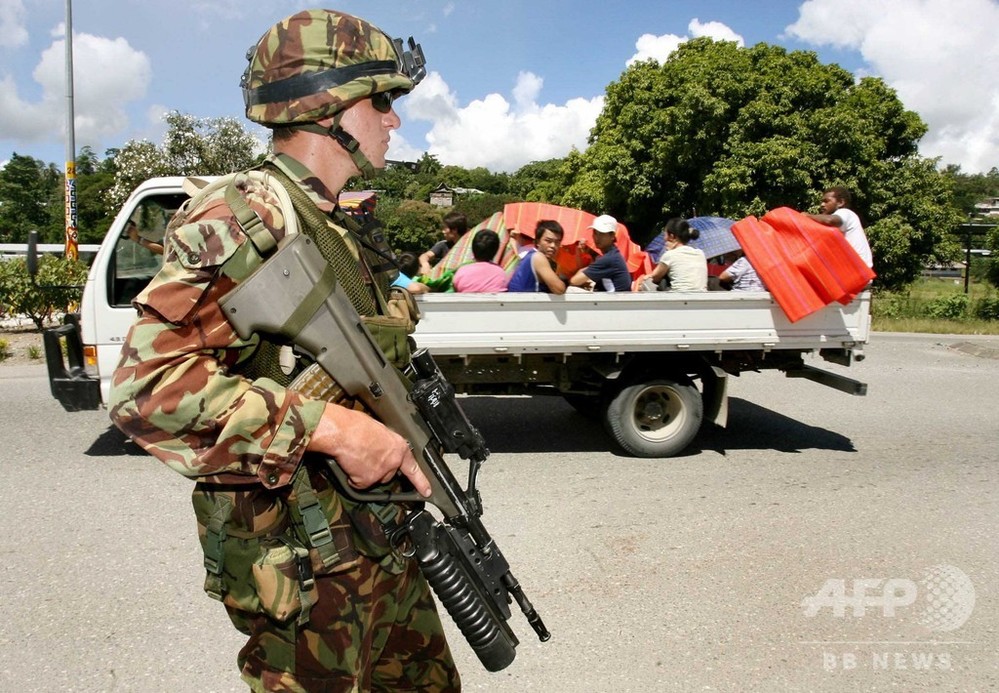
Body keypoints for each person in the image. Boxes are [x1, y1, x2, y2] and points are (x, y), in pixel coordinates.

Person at [107, 10, 460, 691]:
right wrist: (334, 428)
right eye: (381, 101)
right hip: (306, 564)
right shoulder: (245, 214)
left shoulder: (331, 224)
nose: (393, 120)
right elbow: (144, 389)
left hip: (375, 540)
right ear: (324, 106)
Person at [804, 186, 874, 268]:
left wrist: (807, 216)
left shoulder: (845, 213)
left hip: (856, 268)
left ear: (840, 202)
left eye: (826, 201)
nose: (822, 205)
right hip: (855, 268)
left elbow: (830, 220)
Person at [641, 218, 707, 291]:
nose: (664, 238)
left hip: (678, 299)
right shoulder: (700, 253)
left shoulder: (669, 255)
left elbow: (654, 277)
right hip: (702, 297)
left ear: (671, 236)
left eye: (665, 234)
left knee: (646, 283)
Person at [569, 214, 631, 292]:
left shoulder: (609, 259)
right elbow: (582, 272)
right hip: (615, 300)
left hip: (616, 302)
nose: (597, 237)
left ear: (612, 236)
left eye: (601, 233)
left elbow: (574, 281)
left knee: (571, 290)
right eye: (595, 233)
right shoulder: (612, 254)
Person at [506, 220, 568, 293]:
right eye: (548, 241)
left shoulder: (530, 256)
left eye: (557, 242)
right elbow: (559, 289)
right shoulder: (538, 257)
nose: (553, 246)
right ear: (538, 241)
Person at [418, 211, 468, 275]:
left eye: (445, 228)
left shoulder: (470, 246)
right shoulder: (443, 245)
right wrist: (425, 264)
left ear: (454, 230)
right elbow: (425, 256)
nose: (443, 231)